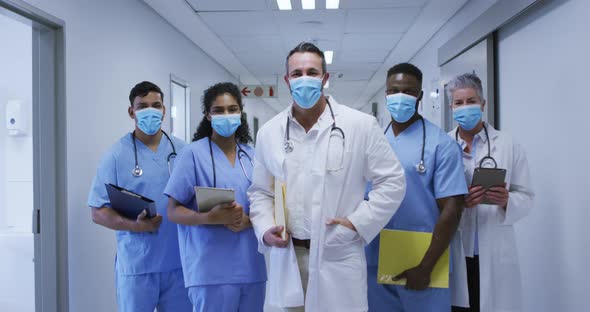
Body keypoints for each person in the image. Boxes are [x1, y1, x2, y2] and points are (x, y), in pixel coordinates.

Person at [248, 42, 407, 311]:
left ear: (325, 78)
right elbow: (261, 191)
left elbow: (392, 182)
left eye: (312, 71)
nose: (304, 79)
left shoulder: (359, 125)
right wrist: (265, 230)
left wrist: (358, 223)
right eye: (297, 73)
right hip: (288, 256)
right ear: (287, 80)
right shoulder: (269, 132)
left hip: (338, 254)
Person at [365, 63, 467, 312]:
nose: (400, 97)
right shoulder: (372, 141)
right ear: (386, 94)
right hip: (375, 258)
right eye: (394, 90)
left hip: (423, 260)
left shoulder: (441, 144)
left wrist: (426, 266)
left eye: (409, 91)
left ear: (420, 96)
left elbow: (452, 210)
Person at [87, 81, 191, 312]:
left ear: (164, 109)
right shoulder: (115, 156)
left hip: (180, 264)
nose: (150, 111)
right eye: (143, 106)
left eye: (156, 105)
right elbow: (97, 212)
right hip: (137, 266)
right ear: (131, 112)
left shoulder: (184, 152)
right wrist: (133, 226)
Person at [164, 82, 266, 312]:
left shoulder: (251, 156)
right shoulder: (192, 154)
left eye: (232, 109)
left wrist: (247, 220)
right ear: (208, 116)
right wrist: (209, 218)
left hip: (251, 268)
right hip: (209, 271)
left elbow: (265, 205)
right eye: (218, 110)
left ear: (241, 113)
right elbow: (172, 210)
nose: (226, 115)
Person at [447, 73, 534, 312]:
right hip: (456, 249)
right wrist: (458, 204)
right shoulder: (443, 145)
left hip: (494, 250)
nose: (465, 107)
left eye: (471, 101)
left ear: (483, 104)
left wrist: (507, 201)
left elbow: (526, 196)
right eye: (459, 102)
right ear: (451, 107)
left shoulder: (507, 144)